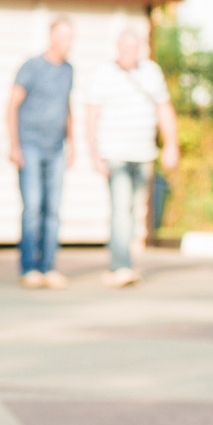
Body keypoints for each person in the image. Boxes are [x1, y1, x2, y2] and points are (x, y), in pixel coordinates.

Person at [83, 23, 179, 286]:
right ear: (118, 49)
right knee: (121, 209)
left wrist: (171, 145)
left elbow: (163, 108)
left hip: (143, 153)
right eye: (125, 48)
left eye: (134, 49)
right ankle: (120, 267)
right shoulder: (104, 74)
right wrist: (94, 154)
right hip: (114, 153)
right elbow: (91, 115)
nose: (130, 53)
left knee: (133, 210)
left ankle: (122, 261)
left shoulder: (151, 72)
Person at [6, 15, 76, 289]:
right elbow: (12, 105)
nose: (68, 43)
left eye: (70, 37)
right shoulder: (31, 67)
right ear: (52, 37)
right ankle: (29, 268)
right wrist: (14, 146)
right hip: (30, 145)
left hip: (56, 147)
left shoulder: (69, 70)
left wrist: (72, 143)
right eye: (64, 37)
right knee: (33, 207)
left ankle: (48, 267)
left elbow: (66, 107)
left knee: (53, 210)